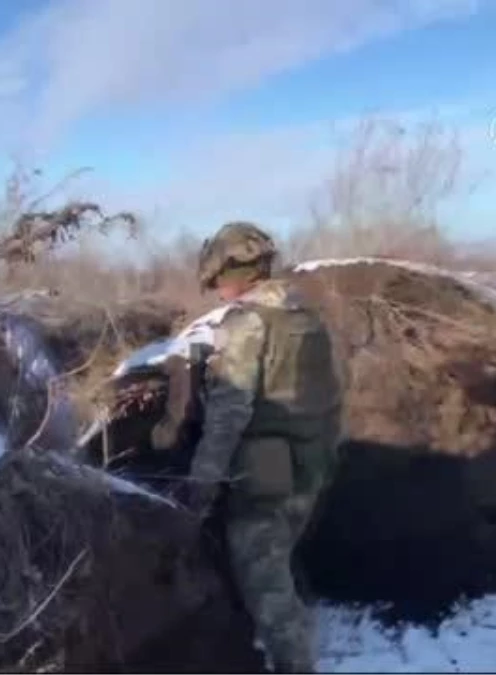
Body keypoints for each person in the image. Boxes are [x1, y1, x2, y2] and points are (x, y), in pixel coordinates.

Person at [159, 221, 345, 672]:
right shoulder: (304, 313)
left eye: (219, 279)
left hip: (268, 475)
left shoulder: (247, 323)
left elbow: (228, 415)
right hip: (312, 461)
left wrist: (199, 487)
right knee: (281, 559)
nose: (218, 290)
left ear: (233, 271)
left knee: (266, 589)